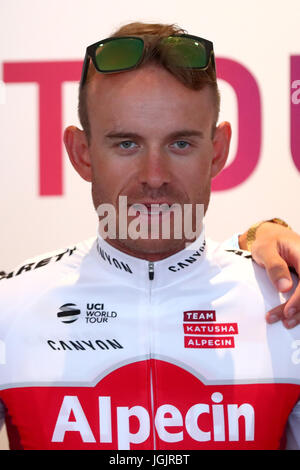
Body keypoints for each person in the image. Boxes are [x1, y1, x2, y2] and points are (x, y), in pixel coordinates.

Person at [0, 22, 300, 450]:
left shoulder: (287, 306)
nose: (154, 177)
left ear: (217, 150)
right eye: (127, 144)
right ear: (81, 154)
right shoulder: (8, 311)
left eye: (180, 144)